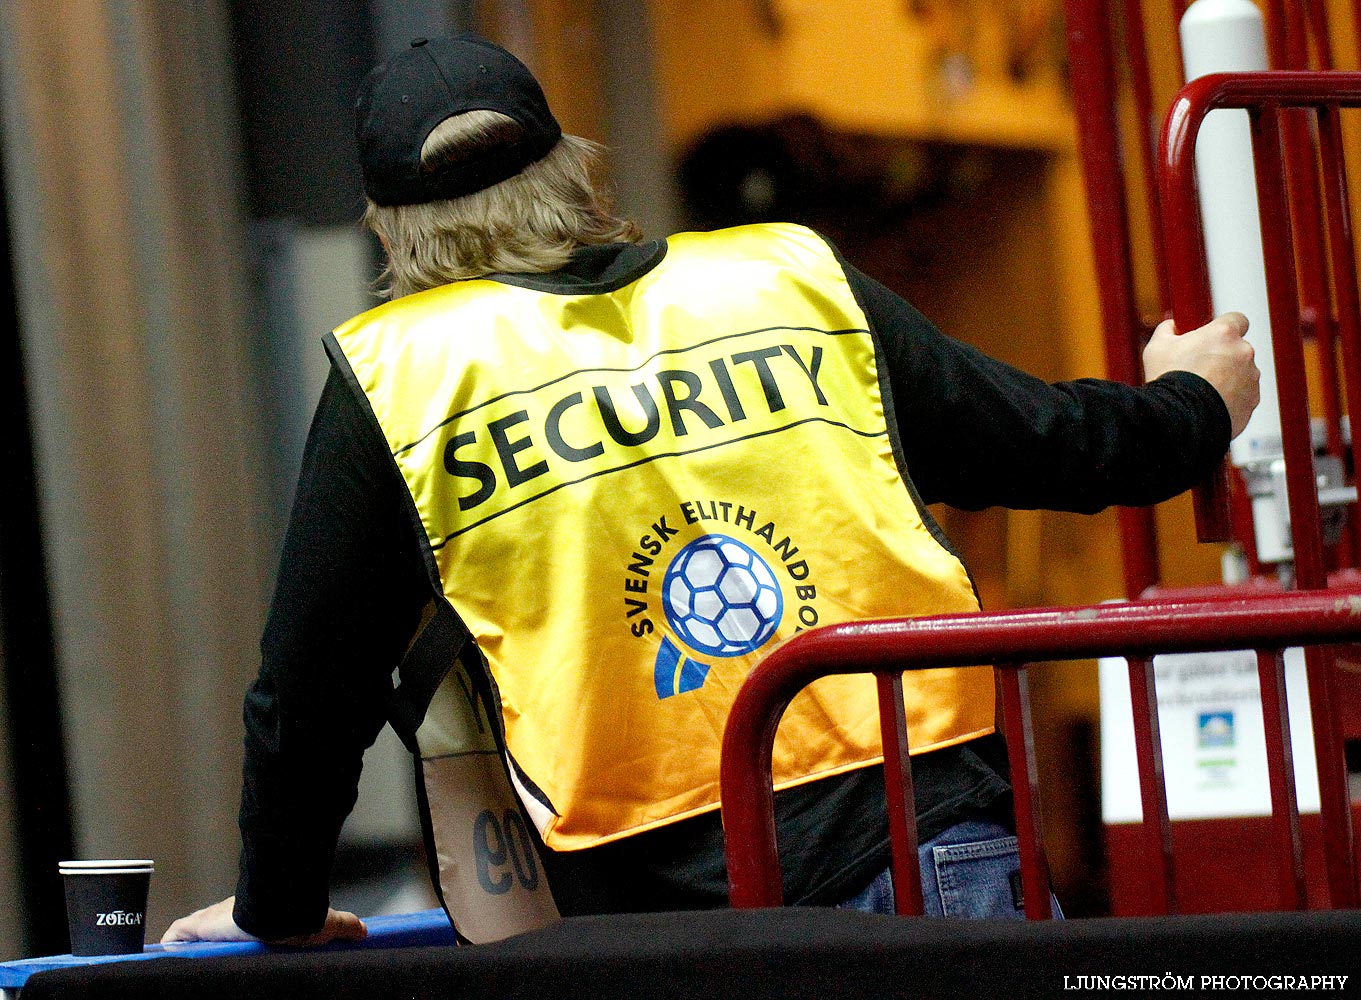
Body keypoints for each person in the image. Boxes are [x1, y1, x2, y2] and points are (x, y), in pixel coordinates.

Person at [163, 33, 1259, 946]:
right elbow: (1046, 446)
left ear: (393, 228)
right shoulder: (785, 277)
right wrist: (1188, 405)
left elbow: (310, 693)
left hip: (660, 924)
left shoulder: (401, 378)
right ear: (570, 167)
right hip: (929, 853)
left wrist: (281, 909)